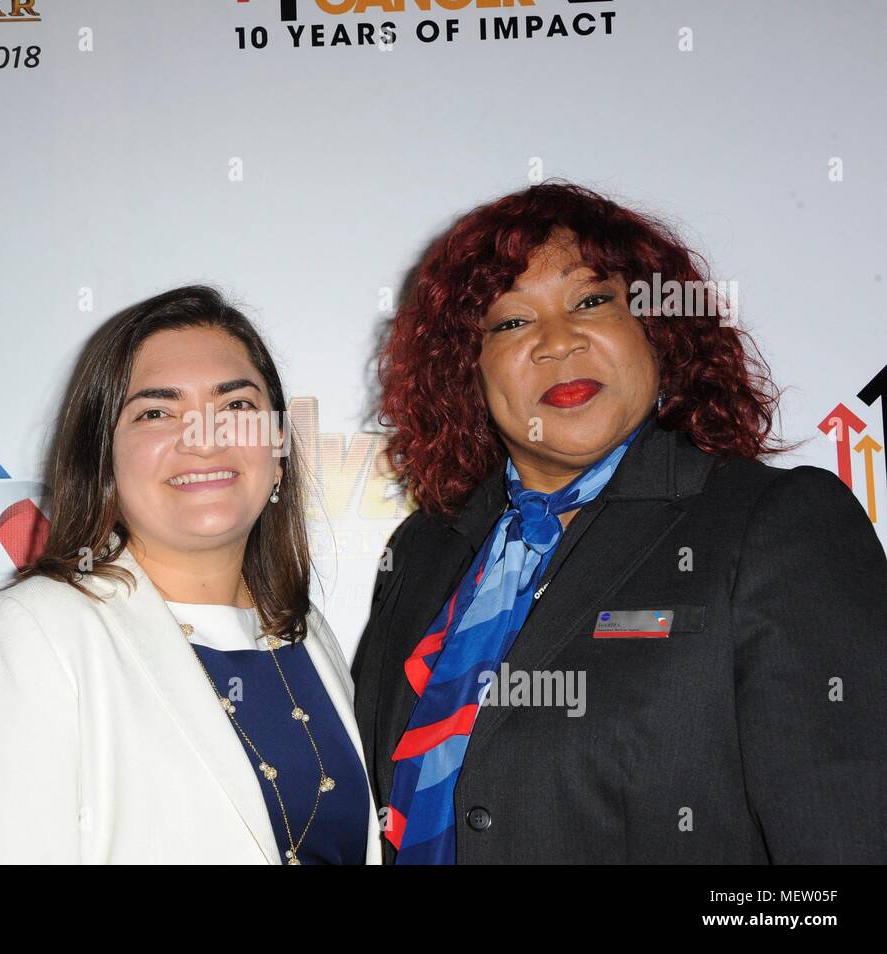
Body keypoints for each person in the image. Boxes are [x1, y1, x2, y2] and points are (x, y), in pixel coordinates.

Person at [352, 182, 887, 864]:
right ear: (469, 372)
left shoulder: (775, 524)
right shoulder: (425, 551)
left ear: (657, 331)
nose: (557, 342)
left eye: (591, 302)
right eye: (512, 323)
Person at [0, 285, 380, 864]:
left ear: (279, 450)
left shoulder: (306, 632)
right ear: (103, 464)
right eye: (157, 412)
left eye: (236, 406)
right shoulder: (33, 632)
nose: (202, 438)